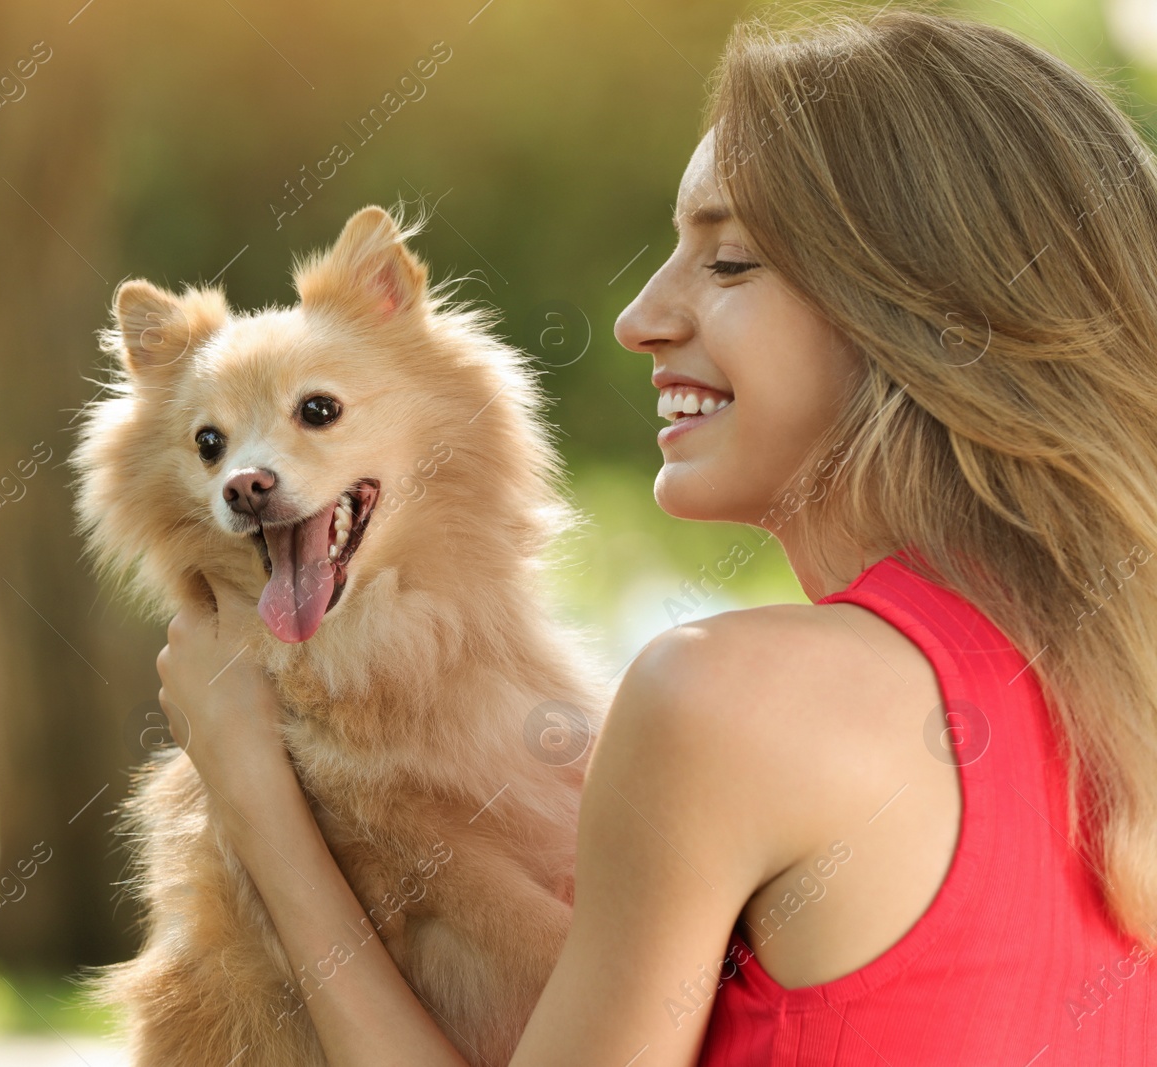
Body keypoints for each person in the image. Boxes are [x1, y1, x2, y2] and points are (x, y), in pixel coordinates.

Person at [154, 8, 1157, 1063]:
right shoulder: (1120, 695)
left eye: (727, 263)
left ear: (919, 311)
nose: (638, 315)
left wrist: (252, 790)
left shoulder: (721, 696)